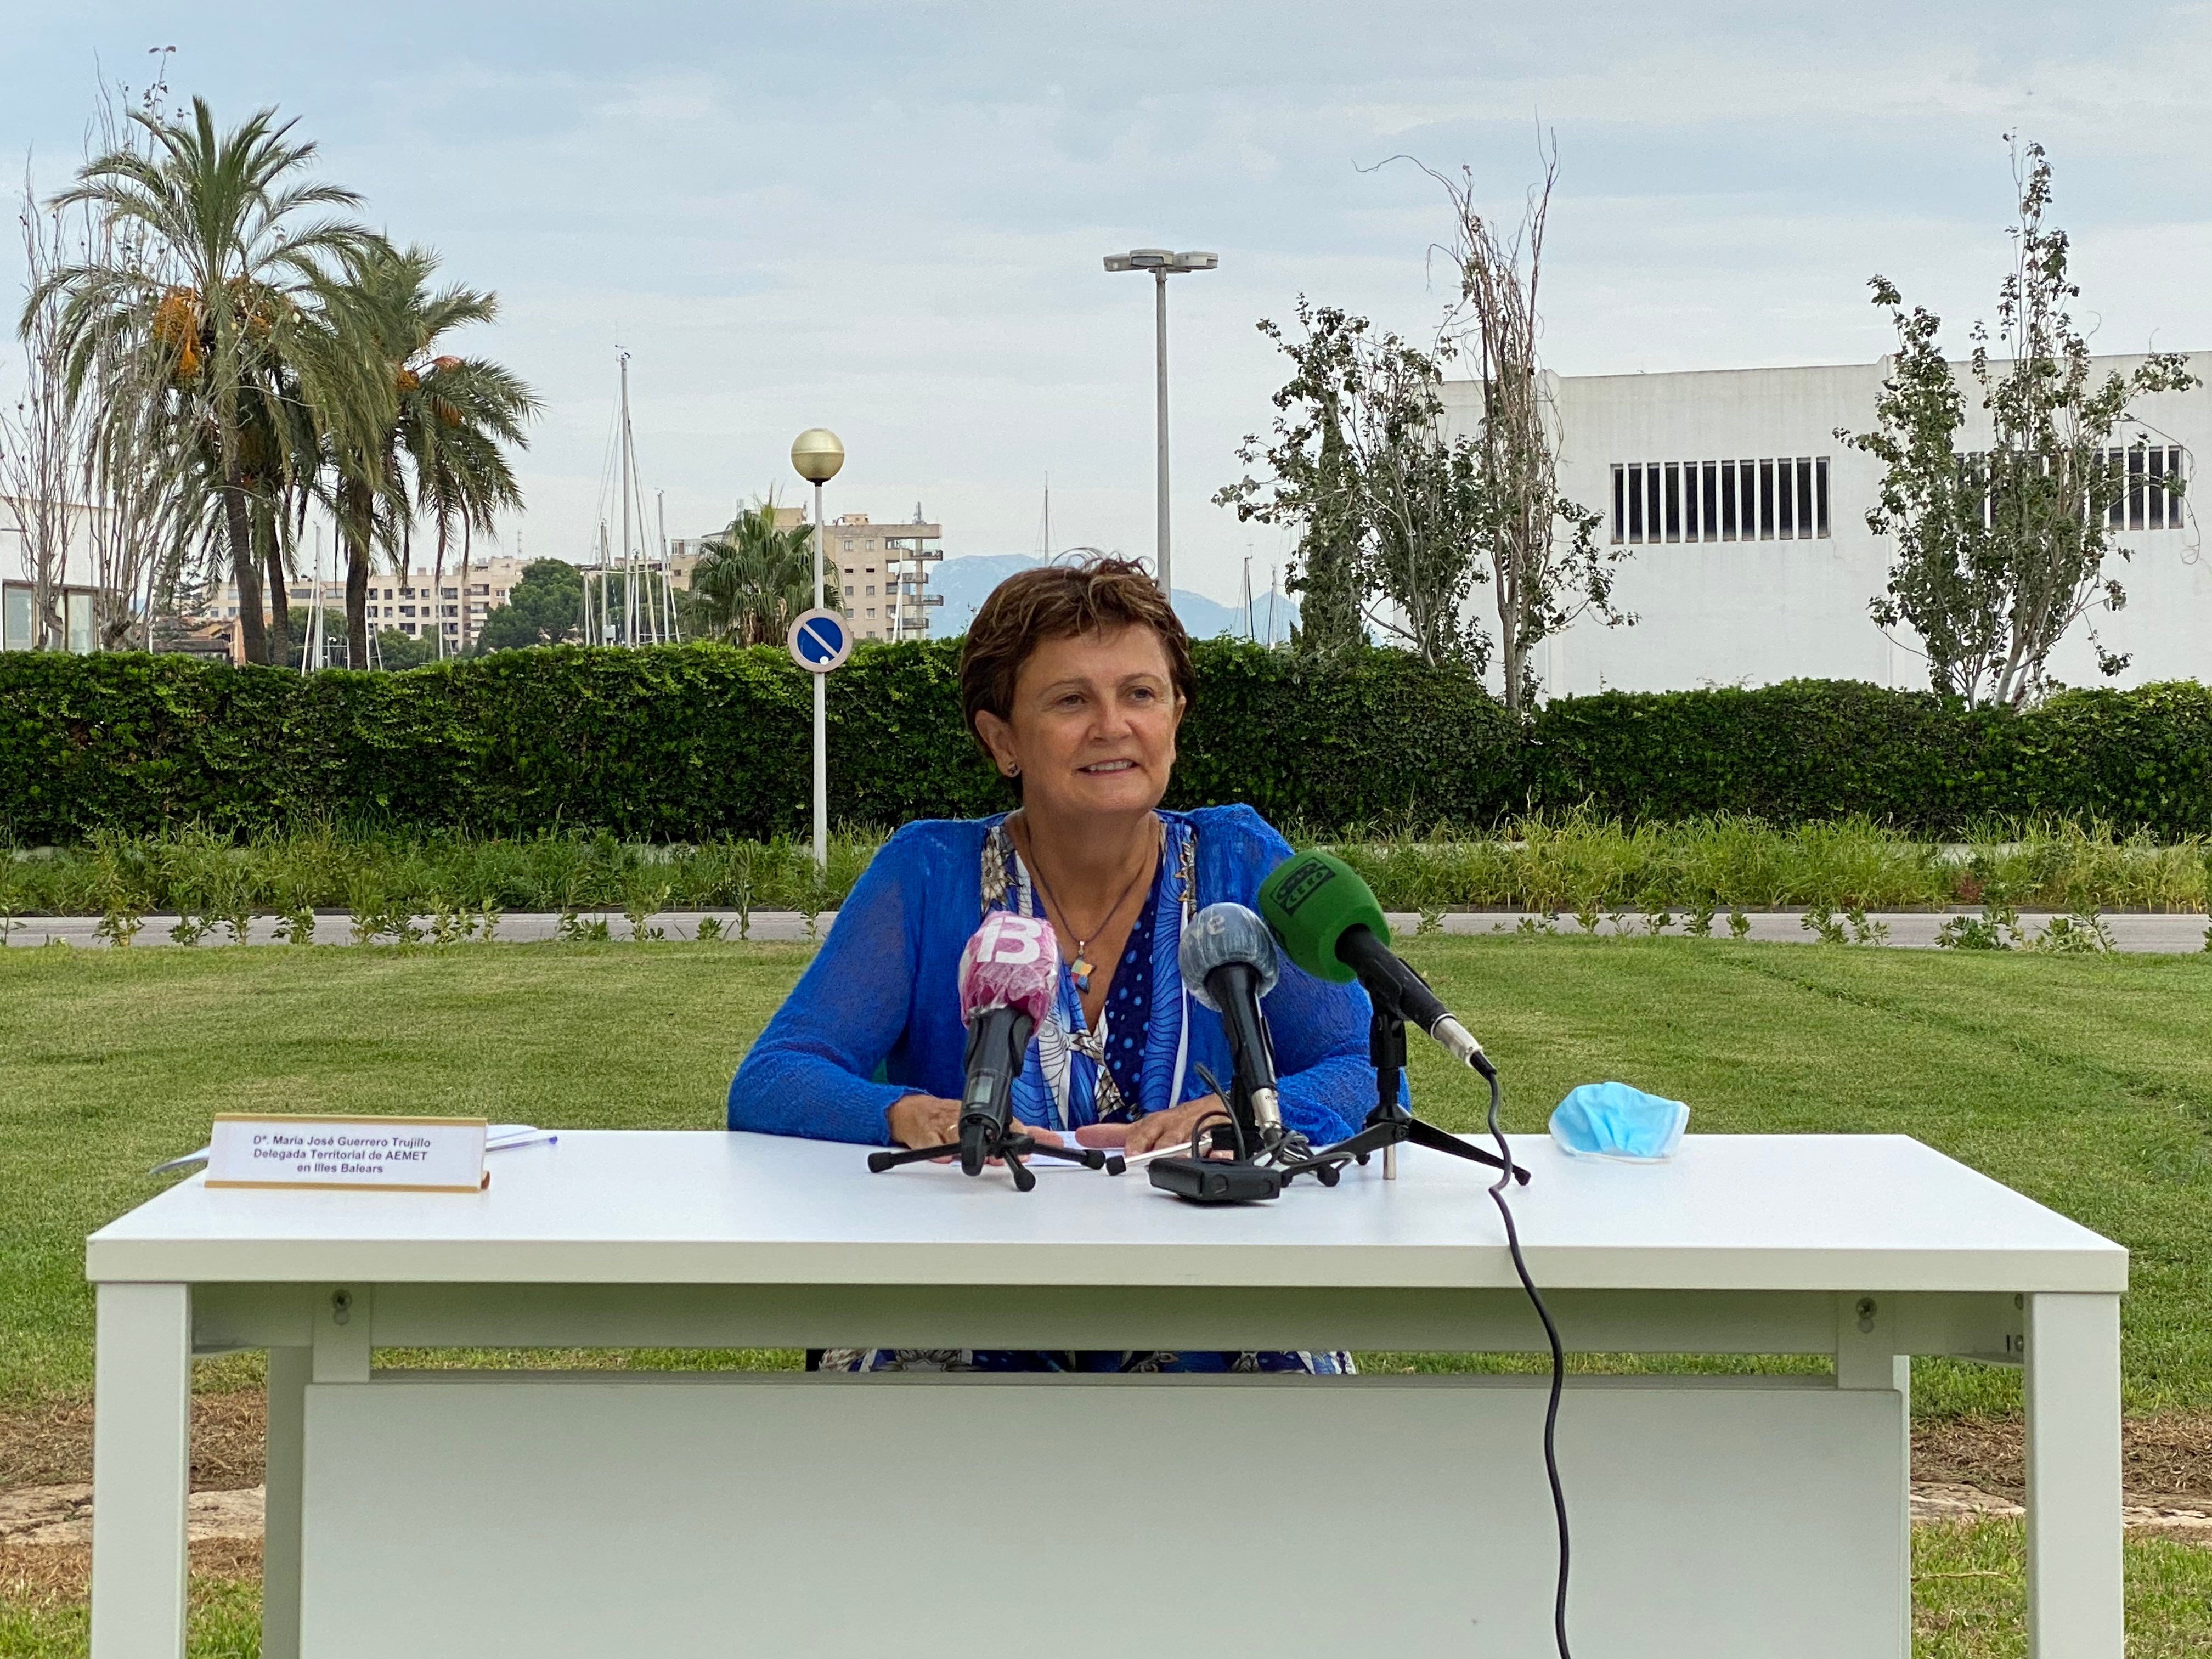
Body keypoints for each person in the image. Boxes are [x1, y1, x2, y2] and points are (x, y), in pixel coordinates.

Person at [727, 557, 1384, 1373]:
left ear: (1176, 716)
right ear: (1002, 739)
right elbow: (772, 1079)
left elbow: (1366, 1072)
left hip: (1221, 1319)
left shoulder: (1240, 861)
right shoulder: (926, 874)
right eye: (1071, 700)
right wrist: (909, 1115)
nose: (1113, 725)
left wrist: (1244, 1117)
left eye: (1141, 694)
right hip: (970, 1321)